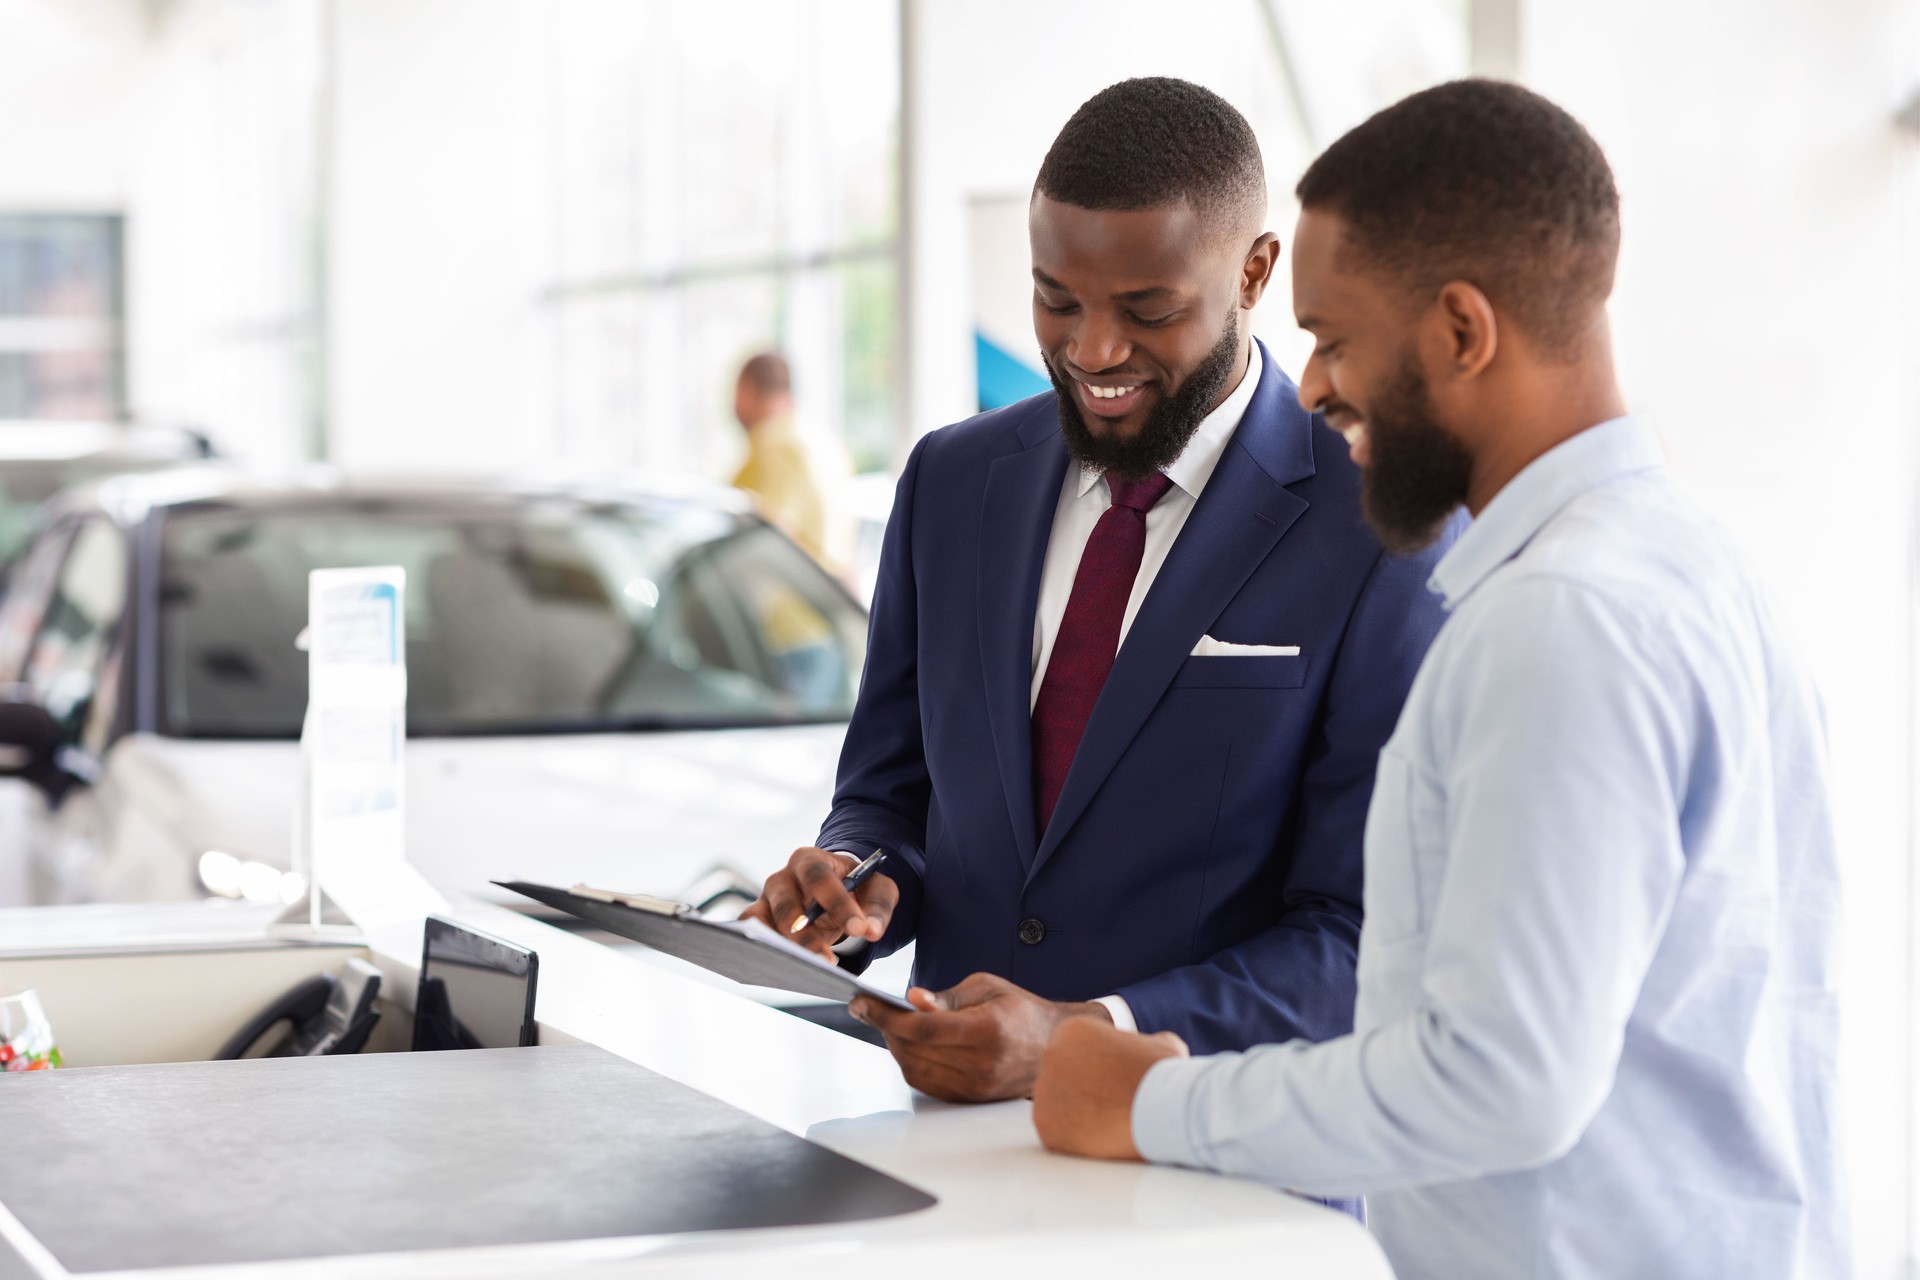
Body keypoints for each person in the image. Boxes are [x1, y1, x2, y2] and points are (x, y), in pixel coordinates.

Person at [1030, 79, 1847, 1280]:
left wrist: (1154, 1101)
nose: (1310, 385)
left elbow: (1502, 1078)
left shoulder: (1563, 620)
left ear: (1462, 332)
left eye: (1337, 337)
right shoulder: (1685, 562)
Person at [740, 78, 1452, 1105]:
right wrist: (857, 880)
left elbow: (1363, 936)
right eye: (1056, 299)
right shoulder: (950, 482)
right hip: (949, 1157)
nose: (1093, 351)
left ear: (1254, 271)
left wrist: (1087, 1034)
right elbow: (888, 789)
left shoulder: (1382, 525)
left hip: (1215, 1180)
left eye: (1147, 310)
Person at [730, 351, 829, 562]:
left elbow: (763, 539)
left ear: (746, 390)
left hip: (784, 595)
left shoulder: (772, 445)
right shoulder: (824, 443)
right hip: (829, 592)